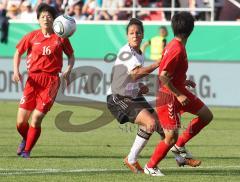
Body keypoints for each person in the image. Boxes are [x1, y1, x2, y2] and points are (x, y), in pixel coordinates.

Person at [144, 12, 213, 176]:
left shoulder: (176, 45)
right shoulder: (176, 48)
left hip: (179, 89)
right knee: (170, 137)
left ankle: (179, 146)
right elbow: (163, 76)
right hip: (168, 96)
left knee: (206, 116)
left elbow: (170, 73)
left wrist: (183, 82)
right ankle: (151, 166)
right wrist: (179, 94)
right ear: (191, 29)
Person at [13, 3, 75, 158]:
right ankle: (26, 139)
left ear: (54, 20)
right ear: (38, 20)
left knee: (36, 118)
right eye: (42, 16)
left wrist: (68, 69)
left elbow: (71, 56)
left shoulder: (60, 37)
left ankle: (27, 151)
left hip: (51, 81)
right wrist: (16, 71)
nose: (46, 19)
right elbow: (18, 52)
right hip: (32, 80)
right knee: (20, 122)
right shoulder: (32, 36)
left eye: (49, 16)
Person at [107, 18, 164, 174]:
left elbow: (130, 77)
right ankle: (131, 159)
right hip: (117, 96)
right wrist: (157, 64)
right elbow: (136, 72)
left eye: (138, 32)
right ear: (127, 36)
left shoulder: (139, 54)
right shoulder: (127, 52)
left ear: (142, 35)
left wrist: (140, 87)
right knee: (150, 123)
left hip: (131, 95)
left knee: (160, 124)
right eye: (131, 33)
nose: (135, 35)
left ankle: (180, 156)